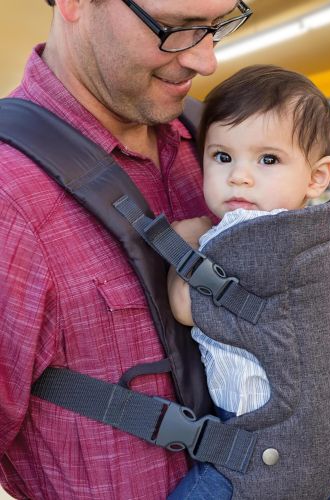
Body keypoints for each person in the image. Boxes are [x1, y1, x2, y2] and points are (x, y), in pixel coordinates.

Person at [0, 0, 253, 498]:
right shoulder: (10, 198)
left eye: (218, 24)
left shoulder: (217, 142)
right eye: (175, 28)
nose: (207, 61)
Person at [166, 65, 330, 500]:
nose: (240, 176)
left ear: (318, 176)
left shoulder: (254, 237)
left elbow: (185, 305)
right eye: (222, 156)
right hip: (324, 448)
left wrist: (183, 243)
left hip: (265, 447)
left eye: (268, 159)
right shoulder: (313, 233)